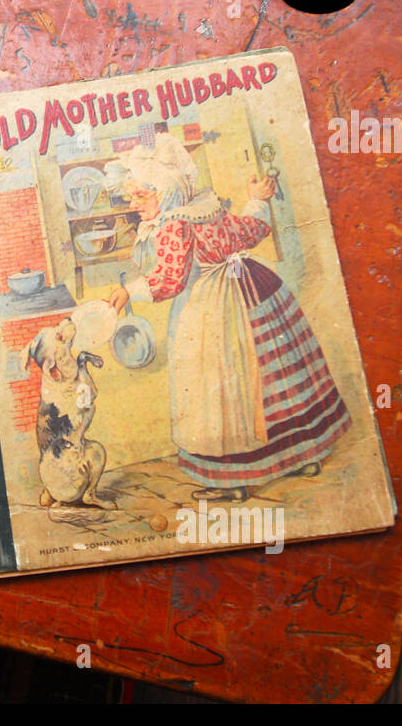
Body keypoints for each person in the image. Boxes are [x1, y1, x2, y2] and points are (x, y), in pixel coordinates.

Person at [107, 133, 349, 501]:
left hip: (211, 310)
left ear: (167, 192)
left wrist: (131, 290)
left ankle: (234, 482)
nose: (134, 204)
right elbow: (253, 230)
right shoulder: (208, 210)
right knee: (272, 377)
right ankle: (304, 456)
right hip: (258, 291)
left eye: (142, 195)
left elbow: (170, 279)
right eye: (132, 196)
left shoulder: (175, 222)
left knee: (221, 391)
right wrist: (258, 199)